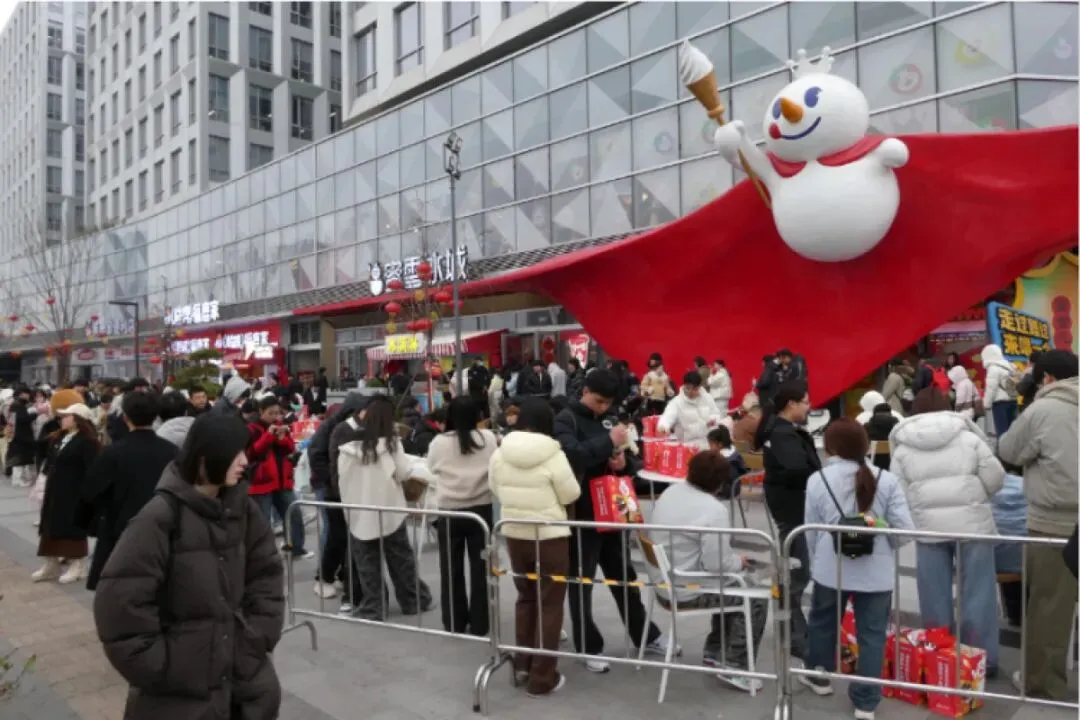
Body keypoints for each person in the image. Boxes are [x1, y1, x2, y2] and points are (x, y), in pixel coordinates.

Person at [93, 413, 284, 719]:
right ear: (205, 456)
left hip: (243, 684)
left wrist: (256, 636)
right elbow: (120, 604)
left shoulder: (243, 509)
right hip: (180, 696)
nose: (244, 461)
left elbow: (266, 575)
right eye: (235, 453)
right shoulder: (159, 517)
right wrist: (163, 666)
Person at [554, 369, 667, 673]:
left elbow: (631, 458)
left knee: (625, 577)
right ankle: (587, 645)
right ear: (585, 391)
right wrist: (607, 442)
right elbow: (572, 456)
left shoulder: (612, 419)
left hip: (614, 508)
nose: (603, 407)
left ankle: (646, 635)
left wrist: (623, 462)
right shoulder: (566, 419)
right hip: (583, 513)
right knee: (582, 582)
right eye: (598, 400)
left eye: (608, 403)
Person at [801, 419, 915, 719]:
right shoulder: (886, 479)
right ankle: (866, 701)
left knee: (823, 623)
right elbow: (905, 531)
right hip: (876, 574)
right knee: (872, 635)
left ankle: (819, 676)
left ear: (831, 446)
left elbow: (810, 530)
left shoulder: (818, 480)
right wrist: (881, 537)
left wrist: (815, 561)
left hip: (830, 570)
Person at [890, 387, 1005, 677]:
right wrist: (977, 497)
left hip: (928, 529)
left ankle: (939, 657)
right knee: (978, 593)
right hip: (974, 527)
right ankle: (980, 661)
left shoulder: (902, 449)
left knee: (933, 595)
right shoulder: (969, 438)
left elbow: (898, 492)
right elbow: (996, 477)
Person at [648, 450, 768, 693]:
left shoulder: (671, 492)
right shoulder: (713, 510)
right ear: (721, 483)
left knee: (732, 583)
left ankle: (715, 651)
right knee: (754, 595)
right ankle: (736, 666)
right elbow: (716, 565)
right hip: (686, 588)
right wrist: (738, 562)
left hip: (662, 581)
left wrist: (733, 563)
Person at [998, 349, 1078, 699]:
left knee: (1048, 607)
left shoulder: (1042, 410)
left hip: (1055, 523)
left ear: (1046, 378)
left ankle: (1044, 685)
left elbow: (1009, 451)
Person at [489, 397, 579, 697]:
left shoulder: (500, 452)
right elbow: (570, 494)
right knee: (550, 603)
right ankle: (543, 677)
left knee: (525, 598)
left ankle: (522, 666)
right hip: (550, 535)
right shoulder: (554, 453)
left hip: (514, 533)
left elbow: (494, 488)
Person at [336, 396, 433, 620]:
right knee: (401, 560)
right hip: (390, 509)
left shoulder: (347, 448)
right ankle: (413, 600)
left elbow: (342, 479)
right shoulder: (391, 444)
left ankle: (374, 606)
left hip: (359, 510)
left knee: (367, 564)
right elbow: (404, 472)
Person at [82, 392, 179, 591]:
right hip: (163, 531)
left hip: (119, 531)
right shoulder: (172, 451)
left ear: (125, 417)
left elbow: (90, 493)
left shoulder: (113, 453)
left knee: (118, 591)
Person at [427, 397, 498, 636]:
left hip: (450, 511)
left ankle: (454, 621)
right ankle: (480, 623)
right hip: (481, 509)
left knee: (450, 569)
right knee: (482, 569)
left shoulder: (439, 442)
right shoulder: (487, 438)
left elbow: (431, 468)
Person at [756, 381, 816, 661]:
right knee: (796, 573)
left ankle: (791, 628)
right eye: (805, 402)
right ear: (791, 404)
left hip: (789, 507)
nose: (809, 407)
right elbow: (797, 469)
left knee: (794, 570)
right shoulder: (782, 434)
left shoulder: (781, 431)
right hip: (793, 509)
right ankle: (794, 634)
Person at [307, 391, 368, 599]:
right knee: (336, 534)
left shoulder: (356, 427)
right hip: (329, 488)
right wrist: (333, 480)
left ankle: (343, 574)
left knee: (347, 535)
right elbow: (316, 456)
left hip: (348, 487)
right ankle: (323, 577)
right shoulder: (330, 427)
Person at [33, 403, 100, 585]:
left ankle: (78, 566)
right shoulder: (58, 438)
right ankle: (51, 564)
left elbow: (93, 469)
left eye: (66, 416)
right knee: (50, 525)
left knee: (72, 527)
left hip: (74, 492)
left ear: (78, 419)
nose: (62, 419)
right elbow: (47, 458)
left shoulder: (87, 442)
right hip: (55, 490)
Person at [246, 395, 312, 559]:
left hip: (282, 481)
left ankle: (295, 547)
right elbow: (251, 453)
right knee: (262, 522)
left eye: (278, 413)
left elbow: (290, 449)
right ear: (261, 411)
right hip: (261, 483)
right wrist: (268, 436)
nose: (275, 417)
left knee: (293, 514)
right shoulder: (252, 429)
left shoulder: (282, 427)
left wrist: (282, 439)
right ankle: (263, 556)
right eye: (271, 413)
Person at [656, 370, 722, 444]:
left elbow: (716, 413)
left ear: (700, 387)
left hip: (708, 442)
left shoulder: (707, 398)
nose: (690, 392)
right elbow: (667, 417)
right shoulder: (676, 402)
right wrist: (664, 427)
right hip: (687, 444)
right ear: (684, 386)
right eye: (688, 388)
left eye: (694, 389)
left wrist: (712, 420)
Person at [982, 343, 1019, 437]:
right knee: (1013, 430)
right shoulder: (1010, 366)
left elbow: (991, 388)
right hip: (1013, 400)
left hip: (1000, 404)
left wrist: (986, 404)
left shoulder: (993, 368)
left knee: (1002, 432)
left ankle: (1004, 447)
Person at [6, 385, 39, 488]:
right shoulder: (18, 405)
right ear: (22, 394)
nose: (28, 395)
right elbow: (22, 419)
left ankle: (19, 479)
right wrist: (35, 414)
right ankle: (18, 480)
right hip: (21, 436)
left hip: (17, 436)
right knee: (20, 459)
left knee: (21, 458)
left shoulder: (16, 404)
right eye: (27, 393)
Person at [862, 403, 899, 471]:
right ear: (890, 413)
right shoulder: (897, 426)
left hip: (872, 464)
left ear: (874, 413)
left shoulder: (867, 427)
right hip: (894, 463)